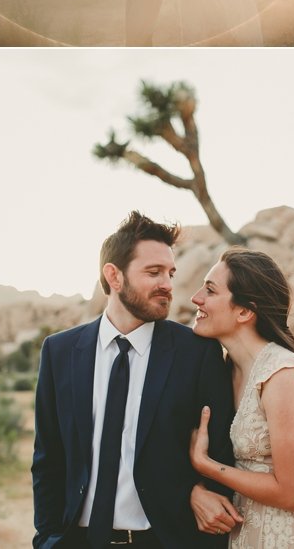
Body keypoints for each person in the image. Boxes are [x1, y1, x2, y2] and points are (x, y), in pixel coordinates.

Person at [32, 212, 240, 549]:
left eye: (170, 273)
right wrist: (46, 539)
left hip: (162, 540)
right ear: (114, 276)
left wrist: (197, 494)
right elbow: (48, 459)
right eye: (153, 272)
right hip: (77, 540)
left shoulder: (196, 352)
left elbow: (219, 452)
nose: (168, 285)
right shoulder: (60, 352)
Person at [190, 250, 294, 549]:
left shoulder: (283, 375)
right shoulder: (226, 371)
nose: (196, 298)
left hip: (281, 538)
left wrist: (206, 465)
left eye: (210, 290)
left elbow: (292, 494)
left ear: (244, 311)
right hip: (240, 534)